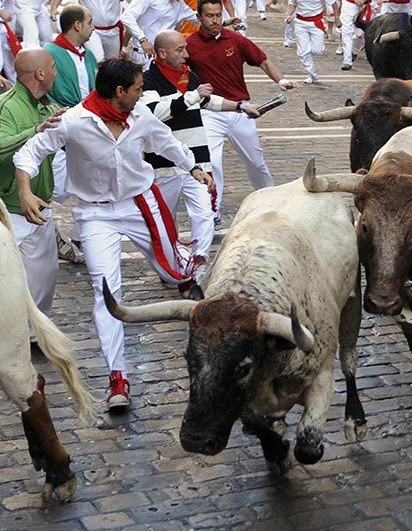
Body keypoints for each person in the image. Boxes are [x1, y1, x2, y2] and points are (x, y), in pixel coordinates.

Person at [14, 58, 215, 410]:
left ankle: (183, 267)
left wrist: (194, 167)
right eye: (138, 88)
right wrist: (26, 191)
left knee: (173, 271)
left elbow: (166, 142)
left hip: (141, 204)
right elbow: (30, 153)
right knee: (105, 289)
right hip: (96, 214)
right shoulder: (74, 121)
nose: (142, 94)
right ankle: (117, 377)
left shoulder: (140, 116)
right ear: (119, 91)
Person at [141, 30, 252, 277]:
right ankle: (171, 268)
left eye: (185, 49)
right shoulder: (148, 80)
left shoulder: (189, 77)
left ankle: (199, 268)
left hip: (197, 164)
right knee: (164, 222)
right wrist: (192, 95)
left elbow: (207, 102)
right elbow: (154, 113)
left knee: (203, 215)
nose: (186, 55)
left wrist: (240, 106)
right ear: (162, 53)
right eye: (179, 50)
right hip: (164, 166)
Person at [186, 0, 295, 221]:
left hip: (240, 111)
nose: (215, 20)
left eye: (218, 15)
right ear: (199, 17)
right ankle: (212, 211)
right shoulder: (189, 45)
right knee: (212, 162)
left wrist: (280, 80)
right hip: (209, 112)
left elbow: (263, 60)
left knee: (255, 162)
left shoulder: (235, 40)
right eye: (209, 16)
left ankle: (269, 198)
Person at [0, 49, 65, 337]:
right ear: (40, 74)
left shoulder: (48, 107)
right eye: (52, 68)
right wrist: (36, 131)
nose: (55, 72)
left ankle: (34, 334)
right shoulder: (7, 106)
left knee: (44, 276)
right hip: (10, 210)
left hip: (41, 207)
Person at [121, 0, 199, 67]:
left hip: (163, 56)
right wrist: (143, 39)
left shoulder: (178, 4)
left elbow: (198, 18)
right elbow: (127, 17)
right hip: (143, 54)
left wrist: (223, 22)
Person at [285, 0, 337, 83]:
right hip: (300, 22)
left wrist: (336, 19)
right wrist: (289, 15)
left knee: (317, 51)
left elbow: (333, 2)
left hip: (316, 23)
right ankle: (312, 74)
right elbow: (293, 3)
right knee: (302, 52)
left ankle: (315, 51)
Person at [45, 4, 96, 107]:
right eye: (89, 23)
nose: (93, 28)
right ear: (78, 25)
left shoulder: (89, 55)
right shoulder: (48, 53)